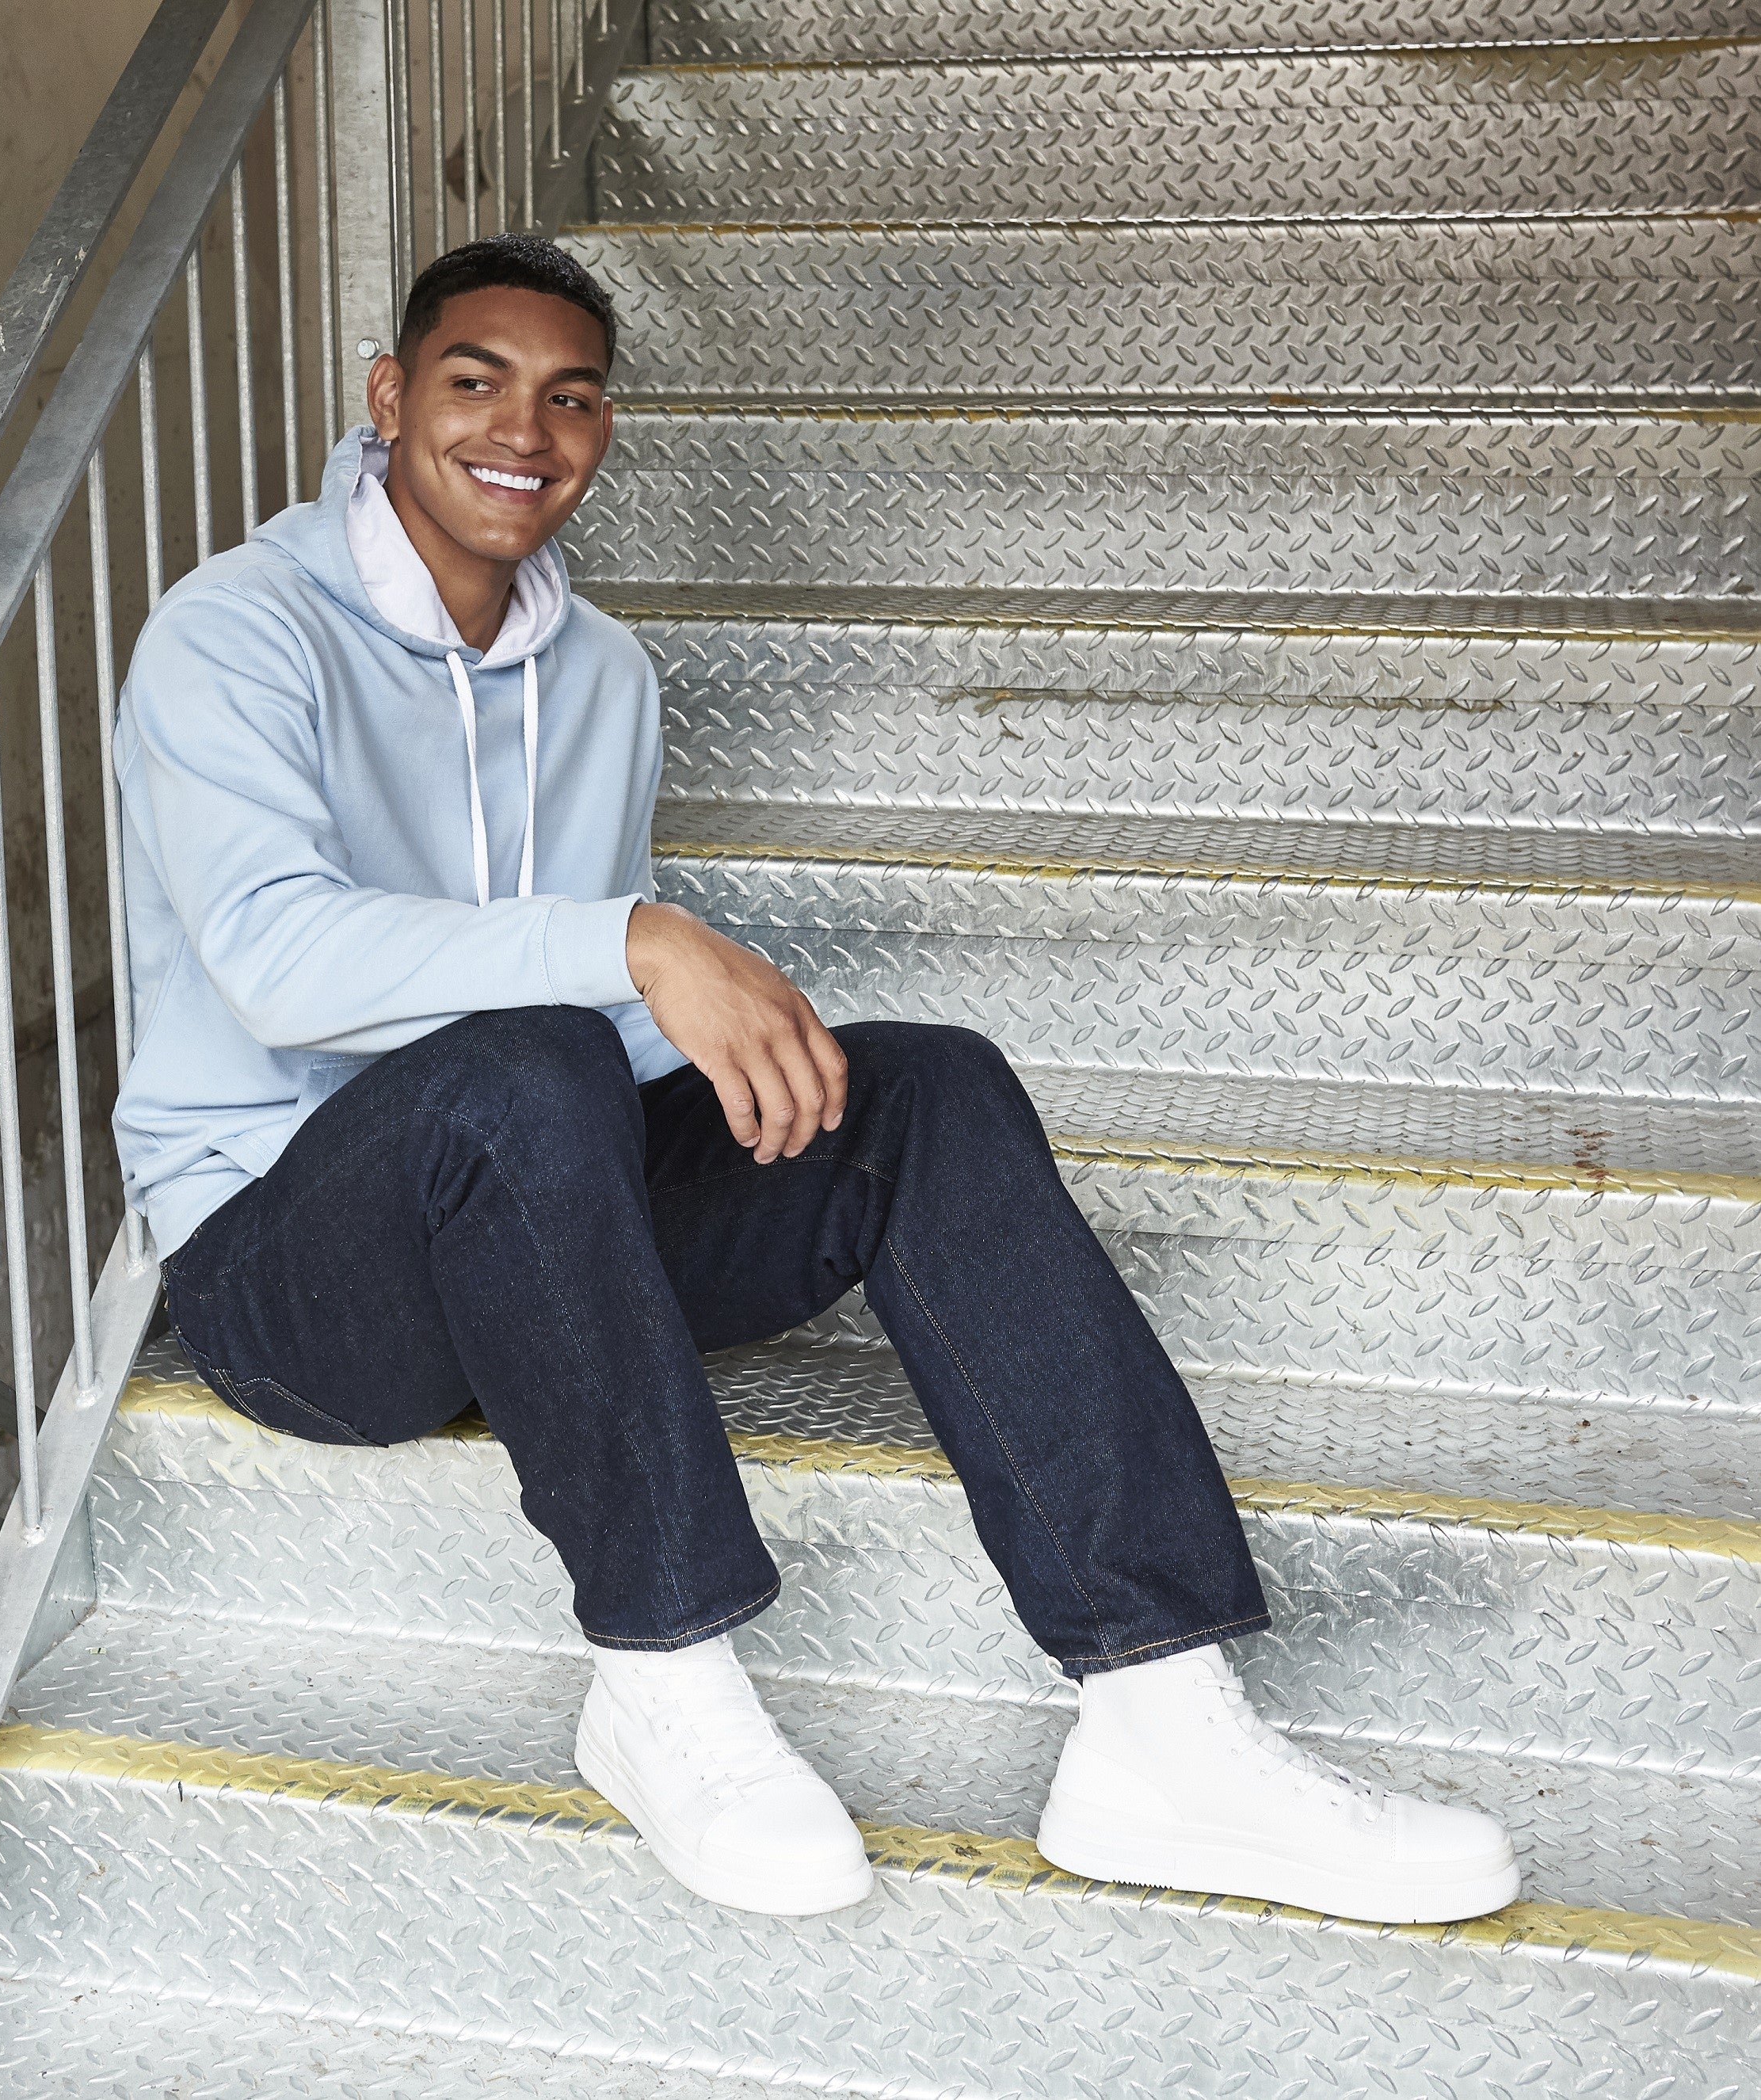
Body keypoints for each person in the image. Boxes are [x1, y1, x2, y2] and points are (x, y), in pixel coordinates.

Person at [112, 234, 1519, 1927]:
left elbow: (596, 1014)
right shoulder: (234, 634)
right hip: (293, 1273)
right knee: (528, 1060)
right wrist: (640, 941)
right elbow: (279, 962)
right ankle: (663, 1683)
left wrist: (750, 1064)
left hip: (536, 1215)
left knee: (922, 1093)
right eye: (476, 382)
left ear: (602, 431)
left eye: (571, 398)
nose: (523, 431)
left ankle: (1162, 1720)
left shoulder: (602, 675)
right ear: (389, 398)